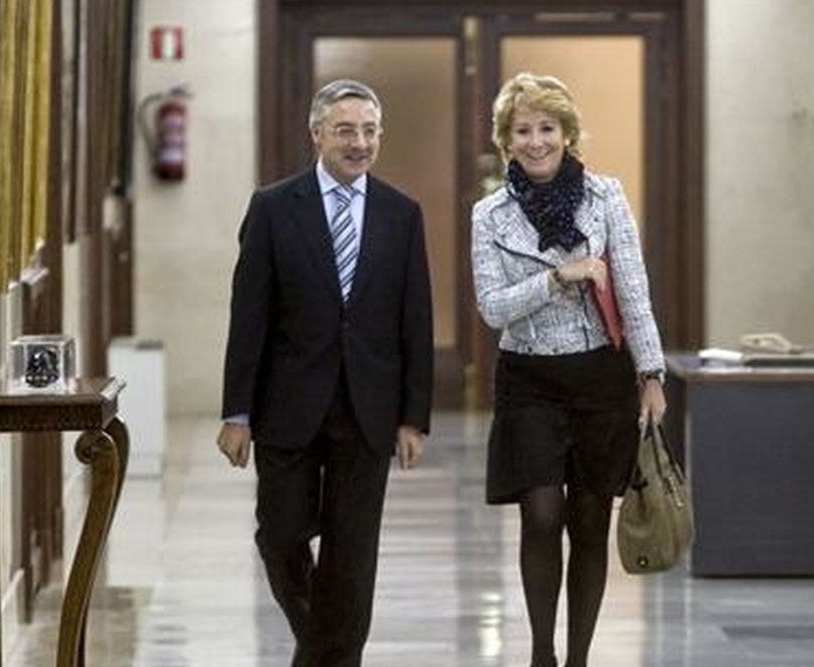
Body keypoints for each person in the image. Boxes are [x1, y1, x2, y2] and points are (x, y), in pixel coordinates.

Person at [217, 78, 433, 667]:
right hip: (286, 405)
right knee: (280, 534)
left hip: (368, 409)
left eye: (369, 131)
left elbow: (416, 320)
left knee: (352, 550)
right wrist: (236, 412)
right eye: (345, 131)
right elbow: (249, 315)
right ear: (317, 135)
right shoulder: (272, 208)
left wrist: (414, 417)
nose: (359, 143)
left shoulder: (401, 214)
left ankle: (333, 659)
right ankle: (324, 648)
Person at [471, 73, 667, 667]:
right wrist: (559, 276)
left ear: (568, 134)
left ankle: (577, 657)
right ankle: (540, 654)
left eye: (547, 128)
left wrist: (651, 373)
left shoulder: (605, 197)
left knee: (587, 522)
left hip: (600, 380)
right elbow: (491, 306)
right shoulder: (488, 214)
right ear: (507, 140)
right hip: (528, 378)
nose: (536, 142)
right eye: (523, 131)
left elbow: (633, 289)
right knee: (541, 514)